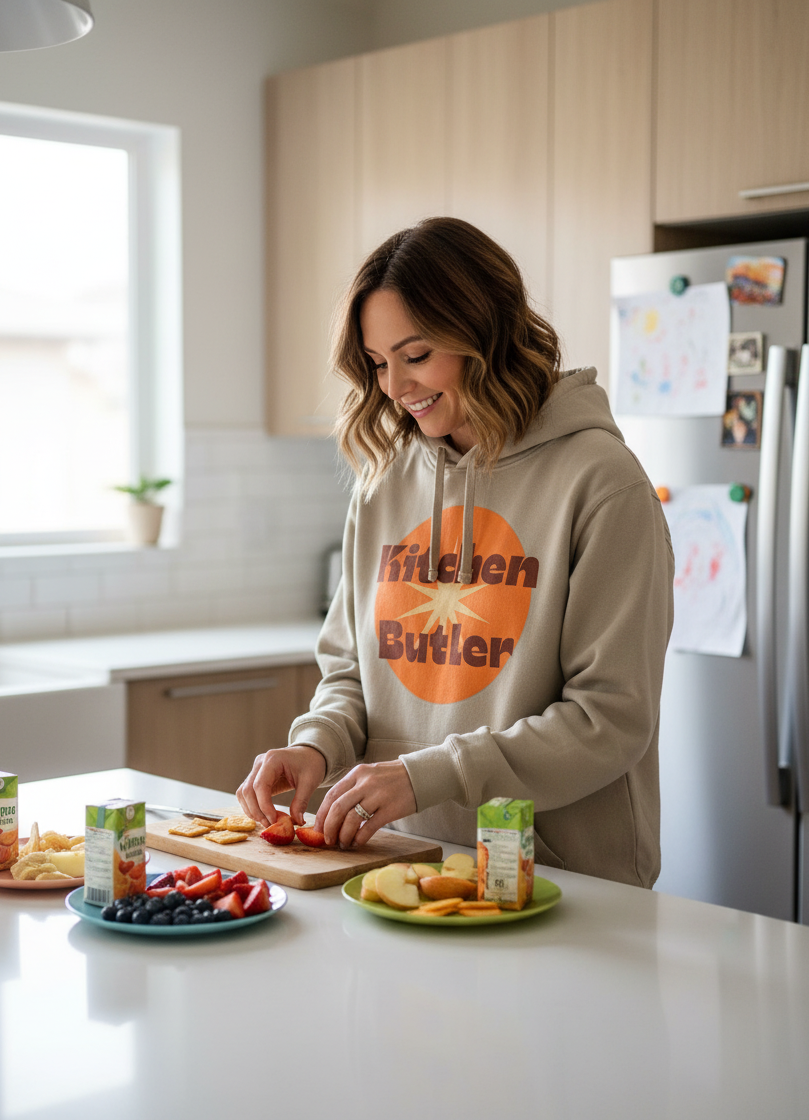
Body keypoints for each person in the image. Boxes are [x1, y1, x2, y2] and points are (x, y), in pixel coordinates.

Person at [237, 217, 674, 888]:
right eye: (378, 363)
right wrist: (313, 747)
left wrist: (431, 775)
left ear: (485, 333)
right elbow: (351, 674)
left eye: (415, 356)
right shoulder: (383, 482)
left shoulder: (602, 482)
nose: (393, 386)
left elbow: (609, 720)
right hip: (403, 867)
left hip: (561, 879)